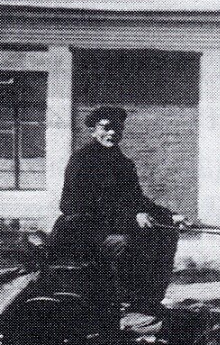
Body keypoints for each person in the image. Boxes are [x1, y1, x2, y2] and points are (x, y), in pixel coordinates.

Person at [54, 106, 184, 333]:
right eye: (106, 127)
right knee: (126, 244)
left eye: (117, 128)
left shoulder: (123, 163)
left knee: (167, 233)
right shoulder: (82, 160)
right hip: (80, 232)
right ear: (93, 131)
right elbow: (71, 205)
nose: (112, 133)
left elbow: (137, 199)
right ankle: (125, 307)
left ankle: (148, 302)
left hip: (109, 227)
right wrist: (132, 217)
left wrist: (169, 216)